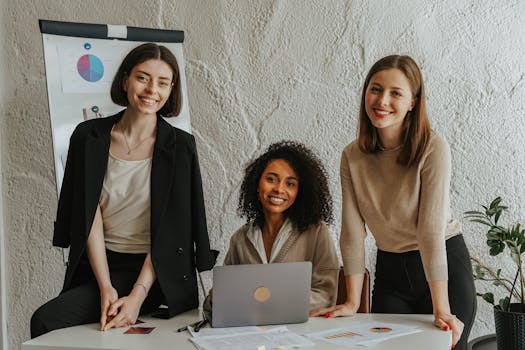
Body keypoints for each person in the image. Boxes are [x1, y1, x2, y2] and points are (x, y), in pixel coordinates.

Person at [31, 43, 216, 338]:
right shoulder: (88, 137)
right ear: (125, 80)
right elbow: (89, 215)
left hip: (157, 272)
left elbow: (171, 229)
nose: (152, 89)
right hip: (101, 265)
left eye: (163, 82)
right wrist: (106, 288)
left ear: (171, 90)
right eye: (143, 77)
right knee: (45, 321)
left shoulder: (181, 146)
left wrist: (137, 296)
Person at [311, 55, 476, 350]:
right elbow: (351, 232)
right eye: (375, 89)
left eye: (396, 93)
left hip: (443, 267)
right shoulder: (352, 156)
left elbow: (429, 232)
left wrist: (442, 308)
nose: (382, 100)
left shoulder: (433, 147)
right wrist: (351, 300)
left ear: (413, 101)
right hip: (392, 271)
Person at [211, 141, 339, 312]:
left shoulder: (316, 232)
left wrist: (271, 302)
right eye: (271, 179)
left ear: (299, 191)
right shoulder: (240, 239)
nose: (279, 189)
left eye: (290, 184)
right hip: (252, 333)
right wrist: (215, 298)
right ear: (257, 184)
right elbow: (221, 299)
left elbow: (326, 295)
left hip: (300, 332)